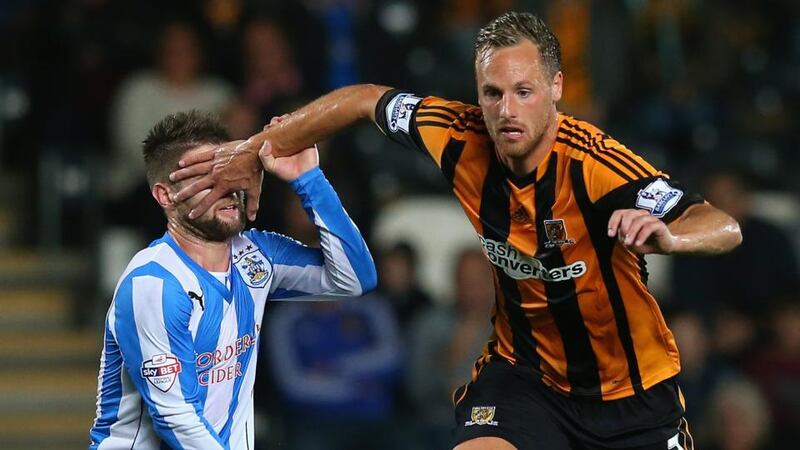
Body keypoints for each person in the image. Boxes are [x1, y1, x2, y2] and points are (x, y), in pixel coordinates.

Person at [171, 12, 743, 450]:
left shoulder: (597, 165)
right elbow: (362, 101)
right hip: (526, 378)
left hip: (633, 396)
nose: (506, 110)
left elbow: (721, 225)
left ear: (557, 87)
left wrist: (671, 237)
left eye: (525, 91)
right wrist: (251, 151)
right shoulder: (456, 135)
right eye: (492, 93)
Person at [88, 110, 376, 449]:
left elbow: (355, 278)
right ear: (165, 196)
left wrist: (308, 178)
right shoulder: (154, 283)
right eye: (206, 177)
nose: (227, 187)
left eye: (229, 170)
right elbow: (176, 417)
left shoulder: (255, 256)